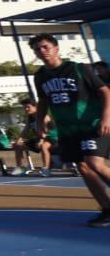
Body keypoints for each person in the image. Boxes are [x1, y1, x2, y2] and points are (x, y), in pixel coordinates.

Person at [30, 34, 110, 227]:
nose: (42, 51)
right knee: (83, 168)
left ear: (56, 48)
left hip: (91, 124)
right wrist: (40, 121)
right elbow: (43, 101)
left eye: (45, 47)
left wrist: (107, 117)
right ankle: (107, 209)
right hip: (67, 129)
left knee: (94, 163)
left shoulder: (78, 69)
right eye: (37, 49)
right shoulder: (40, 76)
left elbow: (105, 91)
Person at [13, 98, 54, 175]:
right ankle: (20, 168)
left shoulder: (44, 116)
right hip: (39, 138)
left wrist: (41, 140)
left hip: (52, 138)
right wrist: (18, 140)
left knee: (43, 146)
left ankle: (46, 169)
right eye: (24, 107)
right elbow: (25, 130)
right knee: (19, 146)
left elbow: (45, 132)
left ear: (35, 107)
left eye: (28, 107)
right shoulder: (30, 117)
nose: (26, 109)